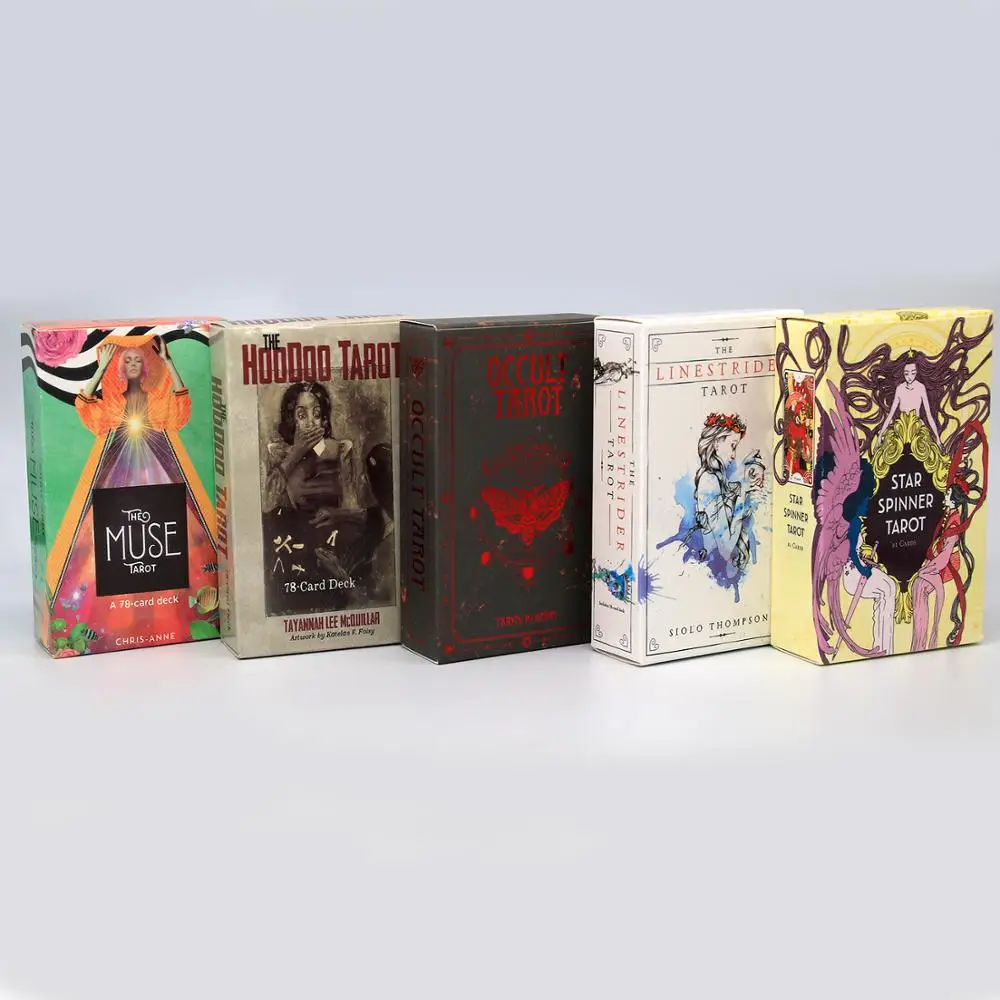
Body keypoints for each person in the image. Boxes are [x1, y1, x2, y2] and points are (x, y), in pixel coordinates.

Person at [312, 443, 395, 606]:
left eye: (366, 475)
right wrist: (338, 514)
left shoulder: (387, 553)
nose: (362, 478)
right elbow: (378, 515)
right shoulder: (395, 509)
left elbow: (370, 606)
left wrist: (338, 573)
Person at [262, 381, 359, 516]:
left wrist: (335, 515)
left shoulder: (340, 451)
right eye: (302, 416)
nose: (311, 422)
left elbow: (352, 507)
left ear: (323, 419)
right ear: (291, 420)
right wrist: (295, 454)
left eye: (317, 414)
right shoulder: (279, 453)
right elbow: (266, 504)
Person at [875, 352, 943, 449]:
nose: (910, 377)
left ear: (917, 372)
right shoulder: (900, 388)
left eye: (913, 373)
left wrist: (938, 439)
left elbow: (929, 415)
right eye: (906, 373)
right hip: (900, 430)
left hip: (917, 430)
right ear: (902, 373)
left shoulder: (921, 387)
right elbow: (890, 414)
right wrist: (880, 436)